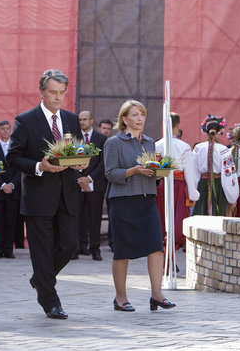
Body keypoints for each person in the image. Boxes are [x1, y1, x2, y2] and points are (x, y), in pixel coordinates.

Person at [6, 69, 87, 319]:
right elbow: (13, 157)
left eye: (62, 93)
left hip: (68, 194)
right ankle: (50, 301)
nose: (57, 98)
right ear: (41, 91)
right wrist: (39, 166)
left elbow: (80, 150)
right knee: (41, 251)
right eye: (52, 92)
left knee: (70, 244)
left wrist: (81, 162)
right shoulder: (25, 120)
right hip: (39, 195)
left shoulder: (72, 120)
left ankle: (41, 278)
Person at [104, 99, 176, 312]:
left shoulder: (149, 142)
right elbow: (109, 174)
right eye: (135, 115)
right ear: (124, 119)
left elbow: (153, 176)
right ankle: (120, 298)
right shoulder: (113, 143)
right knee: (122, 251)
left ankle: (157, 295)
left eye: (142, 114)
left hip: (147, 201)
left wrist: (159, 171)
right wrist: (133, 171)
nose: (140, 118)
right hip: (123, 202)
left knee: (156, 247)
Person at [155, 113, 200, 250]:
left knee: (162, 219)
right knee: (177, 220)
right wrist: (193, 193)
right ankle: (170, 254)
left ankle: (166, 256)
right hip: (178, 186)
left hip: (161, 185)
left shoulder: (157, 145)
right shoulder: (184, 146)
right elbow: (190, 173)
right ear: (178, 126)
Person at [73, 111, 107, 261]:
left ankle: (95, 249)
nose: (82, 122)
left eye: (85, 119)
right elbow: (69, 160)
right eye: (80, 120)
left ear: (91, 120)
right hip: (76, 183)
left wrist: (89, 178)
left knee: (95, 218)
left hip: (95, 183)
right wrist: (80, 178)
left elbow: (103, 162)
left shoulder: (100, 138)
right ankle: (76, 248)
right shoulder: (74, 138)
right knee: (76, 217)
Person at [192, 115, 239, 216]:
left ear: (206, 131)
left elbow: (193, 172)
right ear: (218, 132)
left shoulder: (198, 148)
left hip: (202, 186)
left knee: (201, 215)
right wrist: (232, 197)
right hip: (218, 186)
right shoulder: (224, 150)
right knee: (218, 217)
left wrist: (193, 191)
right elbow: (229, 175)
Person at [0, 120, 21, 259]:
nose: (5, 131)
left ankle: (8, 250)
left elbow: (20, 168)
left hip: (13, 190)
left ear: (11, 130)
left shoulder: (16, 147)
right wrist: (2, 185)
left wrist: (12, 184)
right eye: (2, 128)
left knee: (11, 220)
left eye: (7, 128)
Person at [97, 119, 115, 251]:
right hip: (96, 182)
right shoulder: (94, 141)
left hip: (110, 183)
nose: (106, 131)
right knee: (92, 214)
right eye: (104, 128)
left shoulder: (113, 143)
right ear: (99, 128)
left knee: (112, 212)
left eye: (108, 128)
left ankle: (112, 242)